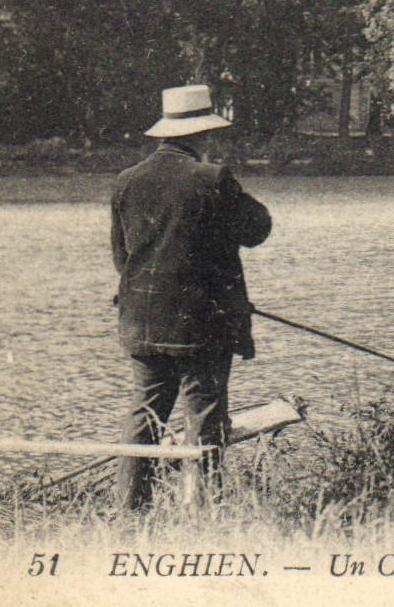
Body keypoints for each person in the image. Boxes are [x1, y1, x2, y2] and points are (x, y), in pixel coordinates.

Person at [110, 83, 272, 509]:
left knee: (144, 415)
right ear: (203, 134)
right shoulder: (213, 178)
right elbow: (257, 228)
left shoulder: (126, 181)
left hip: (142, 322)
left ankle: (129, 512)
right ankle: (201, 514)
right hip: (203, 326)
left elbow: (123, 259)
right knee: (204, 417)